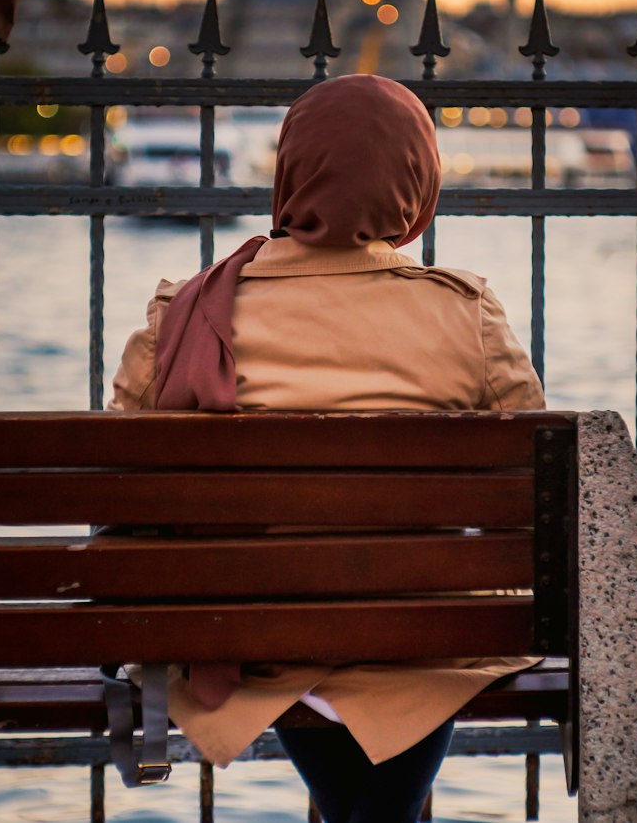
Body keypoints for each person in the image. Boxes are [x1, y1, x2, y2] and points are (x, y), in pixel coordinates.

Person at [108, 74, 545, 823]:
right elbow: (539, 473)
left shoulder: (186, 310)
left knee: (318, 655)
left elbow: (118, 485)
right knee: (413, 656)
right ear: (418, 180)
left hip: (251, 641)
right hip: (420, 641)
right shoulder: (464, 313)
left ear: (291, 169)